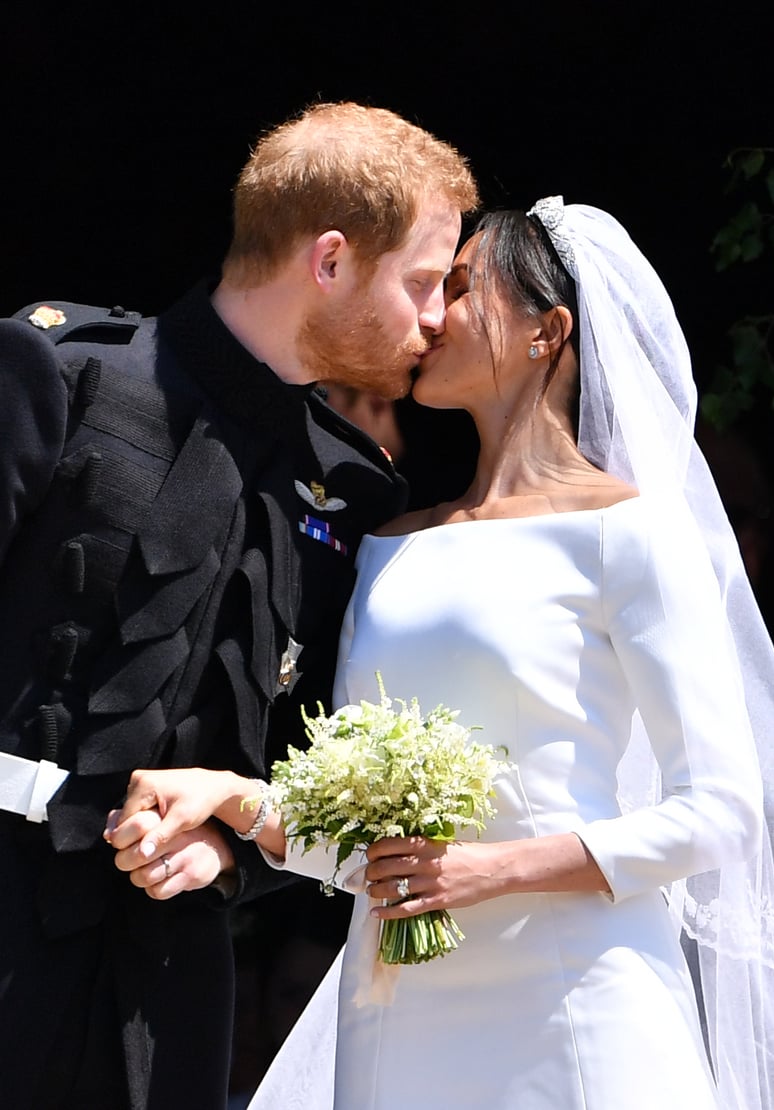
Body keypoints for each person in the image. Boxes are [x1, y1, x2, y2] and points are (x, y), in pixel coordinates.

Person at [108, 198, 774, 1108]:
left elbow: (721, 813)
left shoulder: (630, 534)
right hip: (396, 1010)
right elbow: (360, 844)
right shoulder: (391, 545)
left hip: (577, 1004)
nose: (429, 315)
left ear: (548, 331)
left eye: (460, 288)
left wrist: (488, 869)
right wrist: (232, 799)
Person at [0, 100, 478, 1110]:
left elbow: (310, 759)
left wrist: (229, 847)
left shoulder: (353, 496)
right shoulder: (62, 372)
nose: (439, 321)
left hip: (166, 984)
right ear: (332, 260)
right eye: (425, 283)